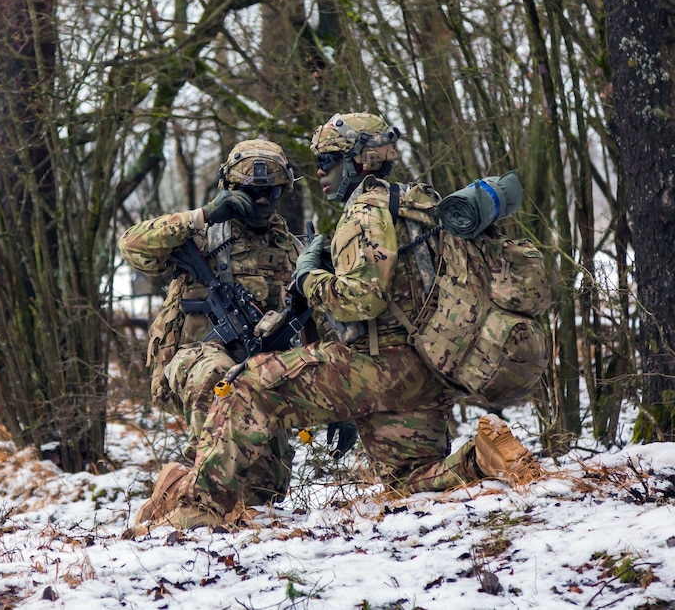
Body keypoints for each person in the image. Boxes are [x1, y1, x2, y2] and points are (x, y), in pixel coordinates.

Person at [139, 113, 541, 530]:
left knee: (245, 386)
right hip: (426, 370)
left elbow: (361, 301)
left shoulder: (363, 212)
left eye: (328, 161)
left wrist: (311, 276)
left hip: (377, 363)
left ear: (359, 161)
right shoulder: (419, 202)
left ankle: (195, 506)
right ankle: (481, 457)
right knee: (409, 481)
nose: (320, 172)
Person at [119, 138, 351, 522]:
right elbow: (131, 244)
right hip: (195, 357)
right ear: (230, 188)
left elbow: (317, 324)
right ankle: (198, 509)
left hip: (259, 367)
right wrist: (204, 215)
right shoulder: (198, 233)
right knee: (216, 379)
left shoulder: (295, 252)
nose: (260, 202)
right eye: (250, 192)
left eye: (270, 193)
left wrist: (338, 402)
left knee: (261, 493)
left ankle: (173, 488)